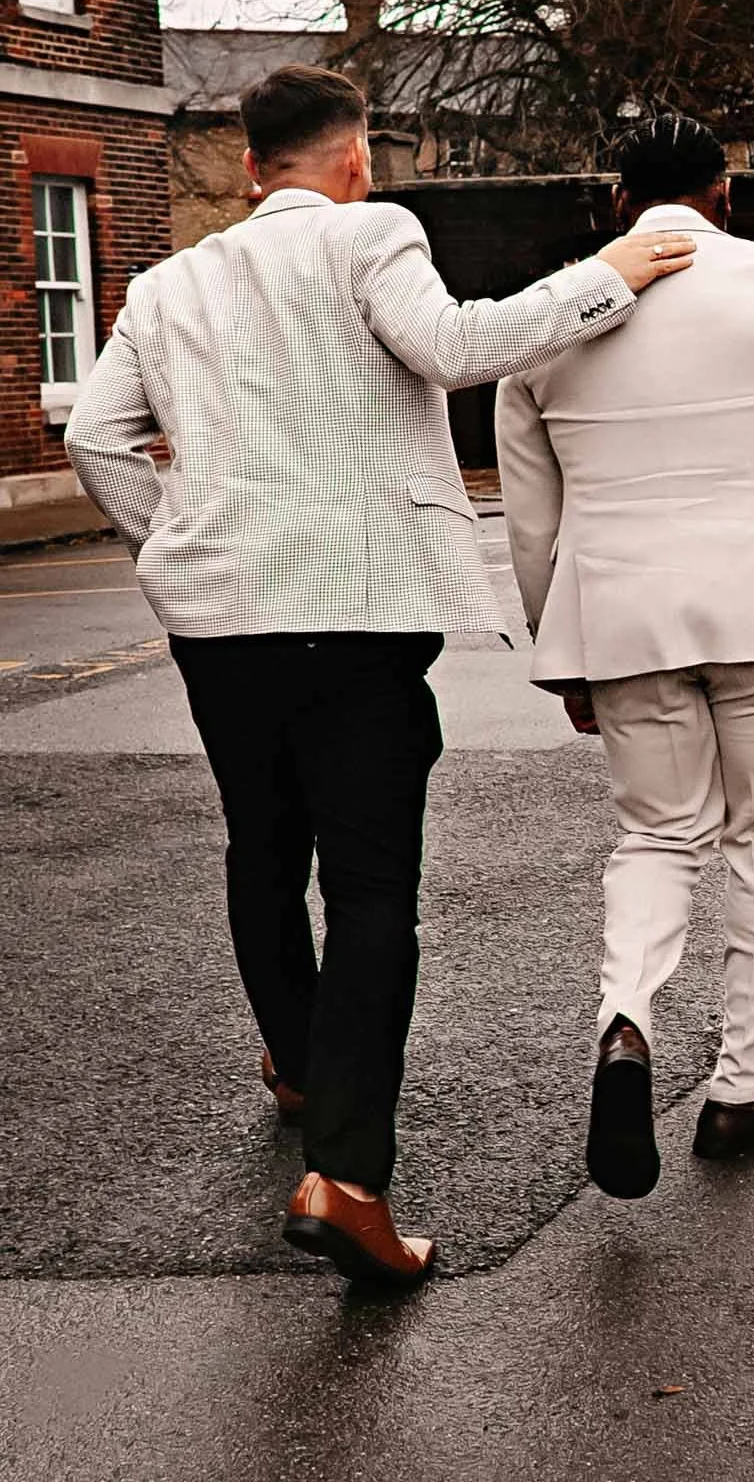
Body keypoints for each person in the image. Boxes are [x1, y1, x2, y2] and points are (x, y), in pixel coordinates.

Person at [64, 63, 695, 1286]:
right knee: (369, 896)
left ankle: (304, 1065)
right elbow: (455, 347)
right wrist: (607, 280)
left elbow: (94, 437)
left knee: (262, 845)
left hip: (220, 621)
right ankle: (349, 1179)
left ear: (250, 167)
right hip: (355, 614)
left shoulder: (165, 279)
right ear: (356, 157)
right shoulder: (371, 230)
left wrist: (181, 539)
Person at [495, 116, 754, 1200]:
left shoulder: (554, 314)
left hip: (616, 612)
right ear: (722, 189)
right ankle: (741, 1083)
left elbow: (532, 515)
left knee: (656, 833)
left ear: (621, 199)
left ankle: (626, 1020)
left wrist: (558, 640)